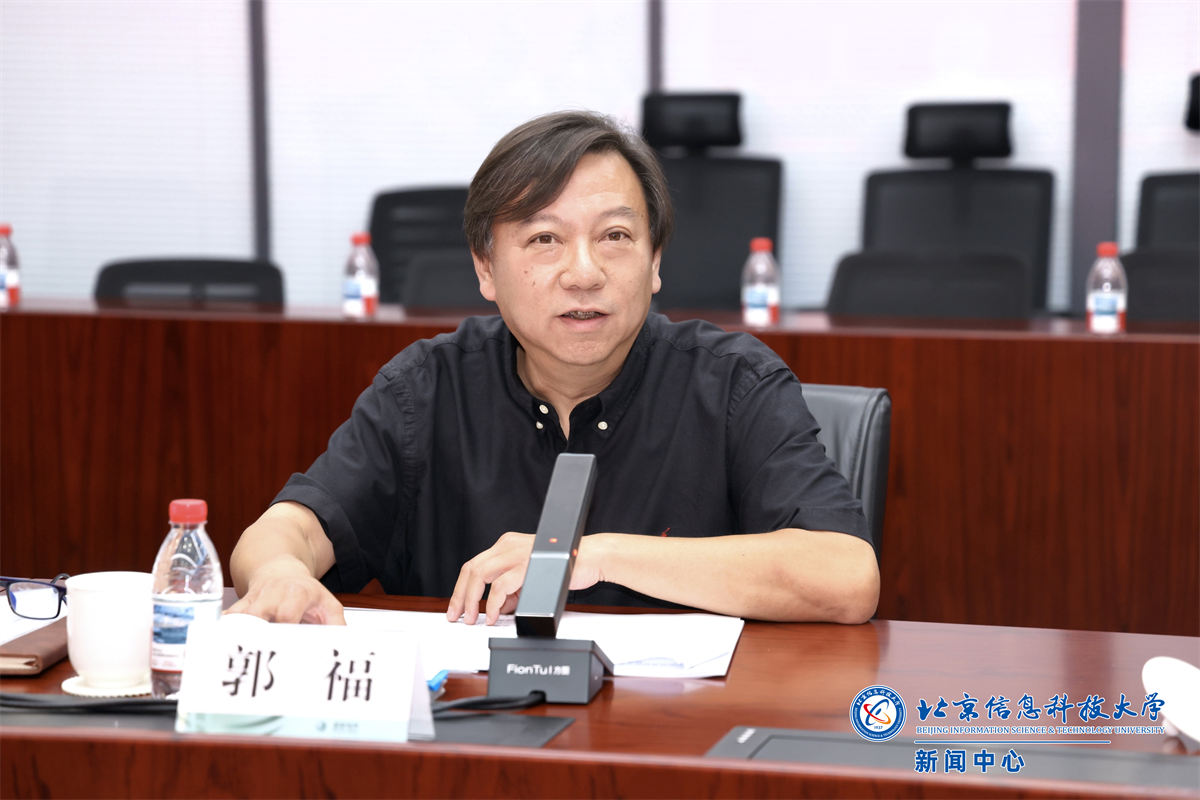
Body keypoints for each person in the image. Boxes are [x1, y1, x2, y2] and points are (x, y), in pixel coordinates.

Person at [228, 111, 879, 627]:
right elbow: (289, 529)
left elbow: (846, 576)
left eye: (615, 236)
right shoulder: (426, 390)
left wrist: (585, 555)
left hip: (681, 732)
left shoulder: (734, 383)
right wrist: (278, 572)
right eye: (544, 239)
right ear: (486, 269)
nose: (584, 273)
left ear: (655, 261)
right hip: (470, 730)